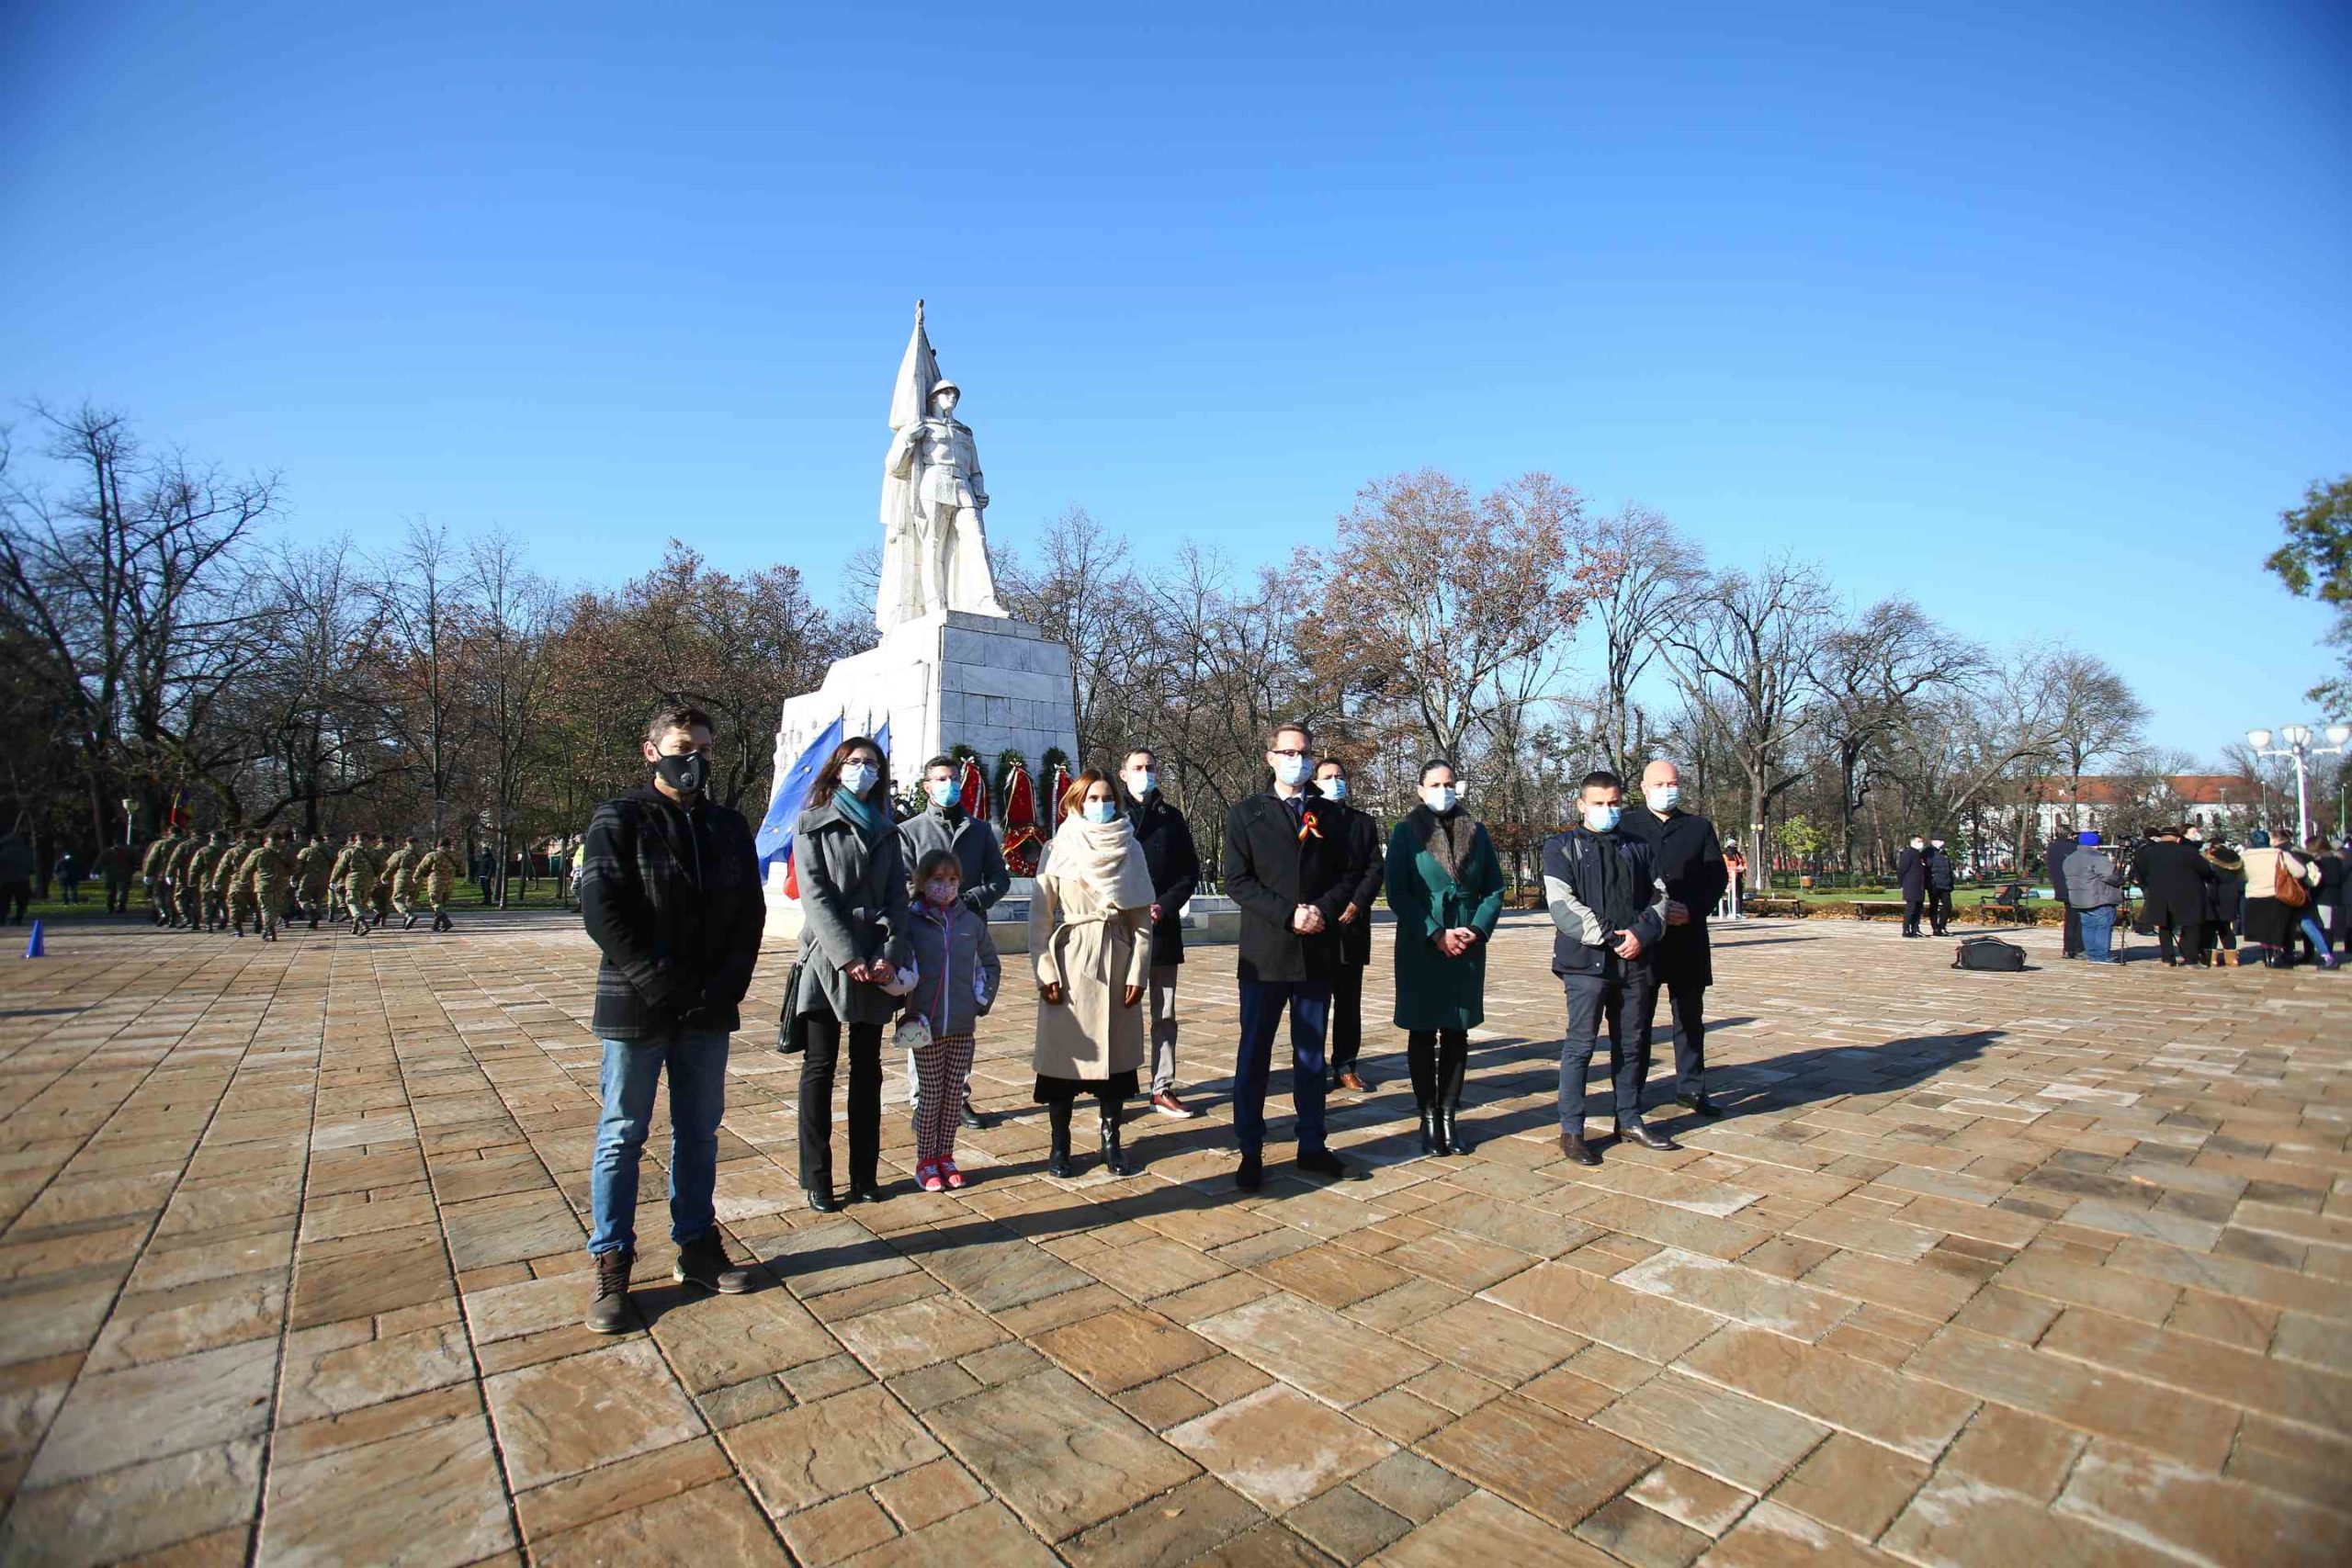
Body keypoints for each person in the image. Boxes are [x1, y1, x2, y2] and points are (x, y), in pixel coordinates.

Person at [579, 704, 765, 1333]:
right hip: (638, 1000)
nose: (695, 761)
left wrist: (728, 984)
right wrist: (659, 981)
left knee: (699, 1130)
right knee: (622, 1132)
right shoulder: (620, 817)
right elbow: (603, 909)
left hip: (708, 1005)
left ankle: (697, 1244)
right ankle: (612, 1257)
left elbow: (750, 912)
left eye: (704, 750)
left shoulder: (728, 824)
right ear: (652, 750)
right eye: (683, 748)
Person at [1220, 720, 1366, 1190]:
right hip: (1265, 954)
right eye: (1288, 753)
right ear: (1270, 758)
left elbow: (1350, 874)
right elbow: (1237, 881)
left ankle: (1313, 1145)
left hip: (1316, 953)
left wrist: (1321, 910)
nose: (1297, 760)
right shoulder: (1246, 813)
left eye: (1304, 753)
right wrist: (1289, 915)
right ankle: (1250, 1149)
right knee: (1254, 1055)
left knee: (1311, 1057)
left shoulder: (1332, 815)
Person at [787, 736, 911, 1213]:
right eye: (855, 761)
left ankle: (865, 1175)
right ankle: (817, 1177)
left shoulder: (887, 830)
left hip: (876, 959)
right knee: (819, 1067)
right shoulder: (812, 823)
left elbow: (898, 898)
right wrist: (847, 955)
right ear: (837, 769)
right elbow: (815, 897)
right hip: (828, 957)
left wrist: (889, 953)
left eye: (872, 763)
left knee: (867, 1070)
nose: (864, 769)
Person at [1544, 770, 1674, 1166]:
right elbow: (1562, 904)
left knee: (1632, 1044)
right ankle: (1572, 1130)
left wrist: (1641, 934)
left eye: (1614, 803)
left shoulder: (1639, 846)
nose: (1607, 810)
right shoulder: (1561, 847)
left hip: (1635, 961)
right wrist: (1612, 938)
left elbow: (1660, 896)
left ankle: (1629, 1119)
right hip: (1586, 964)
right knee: (1580, 1046)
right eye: (1599, 804)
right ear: (1582, 805)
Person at [1032, 772, 1156, 1179]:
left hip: (1118, 956)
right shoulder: (1057, 847)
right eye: (1092, 798)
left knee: (1115, 1063)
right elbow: (1040, 918)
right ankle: (1060, 1145)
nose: (1100, 805)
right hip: (1071, 959)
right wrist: (1045, 970)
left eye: (1106, 798)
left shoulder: (1130, 847)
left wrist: (1138, 971)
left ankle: (1111, 1141)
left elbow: (1142, 922)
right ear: (1076, 801)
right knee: (1062, 1063)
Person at [1385, 760, 1503, 1156]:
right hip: (1421, 940)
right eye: (1435, 784)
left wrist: (1477, 928)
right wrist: (1435, 933)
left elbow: (1494, 888)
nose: (1444, 790)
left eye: (1449, 783)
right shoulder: (1405, 832)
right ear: (1421, 790)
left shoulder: (1477, 831)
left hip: (1466, 940)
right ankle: (1428, 1114)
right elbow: (1398, 891)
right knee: (1421, 1030)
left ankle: (1450, 1113)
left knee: (1457, 1030)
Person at [898, 756, 1011, 1133]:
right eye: (941, 778)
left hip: (966, 935)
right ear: (927, 785)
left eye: (954, 778)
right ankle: (922, 1098)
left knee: (961, 1018)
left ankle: (957, 1097)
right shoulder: (910, 831)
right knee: (923, 1014)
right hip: (924, 935)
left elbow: (999, 878)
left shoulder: (979, 830)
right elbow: (901, 881)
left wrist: (970, 900)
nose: (949, 784)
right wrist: (930, 901)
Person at [1621, 760, 1729, 1119]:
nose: (1667, 790)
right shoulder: (1627, 825)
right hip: (1645, 939)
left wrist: (1694, 910)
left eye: (1672, 783)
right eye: (1659, 784)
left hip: (1687, 938)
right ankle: (1633, 1091)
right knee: (1637, 1021)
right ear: (1643, 787)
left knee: (1689, 1018)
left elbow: (1716, 877)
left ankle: (1691, 1088)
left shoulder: (1698, 827)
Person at [902, 849, 1002, 1190]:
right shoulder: (911, 922)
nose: (945, 886)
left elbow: (989, 963)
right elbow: (901, 961)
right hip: (925, 1025)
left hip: (961, 1024)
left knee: (953, 1095)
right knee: (931, 1094)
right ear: (922, 882)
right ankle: (925, 1160)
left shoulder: (970, 923)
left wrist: (980, 1000)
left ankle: (945, 1155)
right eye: (937, 879)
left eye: (952, 880)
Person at [1117, 749, 1204, 1119]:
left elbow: (1189, 871)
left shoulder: (1172, 817)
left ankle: (1162, 1086)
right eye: (1137, 768)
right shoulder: (1111, 813)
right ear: (1123, 774)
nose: (1144, 773)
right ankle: (1115, 1088)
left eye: (1150, 767)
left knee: (1164, 1013)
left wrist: (1163, 905)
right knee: (1119, 1013)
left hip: (1161, 926)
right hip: (1119, 928)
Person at [1310, 757, 1385, 1093]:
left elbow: (1374, 868)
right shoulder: (1307, 818)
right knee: (1314, 1003)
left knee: (1349, 1002)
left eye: (1340, 776)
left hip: (1353, 924)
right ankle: (1312, 1068)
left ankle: (1345, 1064)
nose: (1335, 781)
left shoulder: (1363, 822)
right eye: (1327, 776)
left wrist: (1358, 902)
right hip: (1318, 924)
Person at [2134, 825, 2214, 968]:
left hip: (2159, 893)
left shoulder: (2148, 852)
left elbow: (2139, 873)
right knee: (2190, 926)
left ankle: (2167, 959)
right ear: (2178, 839)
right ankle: (2191, 959)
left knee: (2164, 926)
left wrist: (2148, 886)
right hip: (2188, 894)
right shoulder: (2188, 851)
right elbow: (2206, 871)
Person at [2064, 830, 2125, 964]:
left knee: (2088, 927)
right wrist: (2121, 878)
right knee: (2103, 927)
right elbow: (2111, 876)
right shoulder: (2097, 858)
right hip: (2099, 898)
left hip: (2079, 899)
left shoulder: (2070, 858)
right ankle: (2101, 955)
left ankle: (2092, 954)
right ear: (2097, 844)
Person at [237, 831, 292, 942]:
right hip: (281, 883)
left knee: (266, 907)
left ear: (267, 840)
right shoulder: (286, 852)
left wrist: (243, 881)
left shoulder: (258, 852)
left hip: (264, 884)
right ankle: (271, 926)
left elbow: (246, 868)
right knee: (276, 907)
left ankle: (268, 929)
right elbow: (295, 866)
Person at [2200, 841, 2245, 966]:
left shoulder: (2212, 866)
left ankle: (2211, 958)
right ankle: (2232, 958)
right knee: (2226, 929)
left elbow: (2211, 885)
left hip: (2214, 900)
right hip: (2230, 900)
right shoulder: (2236, 866)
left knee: (2210, 930)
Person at [2046, 822, 2082, 958]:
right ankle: (2077, 948)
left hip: (2061, 886)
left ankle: (2068, 949)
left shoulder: (2052, 847)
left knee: (2070, 918)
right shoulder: (2073, 848)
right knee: (2077, 919)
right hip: (2074, 887)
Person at [331, 832, 378, 935]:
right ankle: (355, 927)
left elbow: (339, 867)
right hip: (369, 881)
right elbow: (383, 866)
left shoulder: (349, 851)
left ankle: (362, 924)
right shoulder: (374, 852)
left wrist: (333, 880)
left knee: (352, 903)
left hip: (354, 881)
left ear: (356, 839)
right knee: (361, 905)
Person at [141, 829, 183, 925]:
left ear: (169, 833)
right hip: (180, 874)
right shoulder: (184, 843)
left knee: (158, 894)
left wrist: (148, 874)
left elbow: (152, 860)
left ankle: (163, 913)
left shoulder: (161, 844)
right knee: (173, 896)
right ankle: (173, 917)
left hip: (161, 874)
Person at [423, 838, 465, 931]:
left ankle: (446, 922)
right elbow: (462, 869)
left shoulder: (433, 855)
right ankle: (436, 925)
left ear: (439, 845)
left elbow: (422, 867)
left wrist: (416, 876)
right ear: (449, 845)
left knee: (435, 902)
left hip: (436, 881)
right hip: (449, 881)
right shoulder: (456, 856)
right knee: (442, 903)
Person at [294, 835, 334, 929]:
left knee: (302, 898)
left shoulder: (306, 851)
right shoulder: (329, 851)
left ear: (313, 841)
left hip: (308, 878)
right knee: (317, 900)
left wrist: (295, 877)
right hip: (323, 879)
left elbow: (299, 865)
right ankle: (315, 920)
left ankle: (311, 913)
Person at [385, 836, 423, 929]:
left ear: (406, 843)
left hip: (403, 877)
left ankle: (408, 914)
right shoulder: (422, 854)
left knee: (397, 899)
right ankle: (407, 921)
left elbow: (390, 866)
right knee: (411, 900)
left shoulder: (400, 853)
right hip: (417, 878)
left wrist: (384, 876)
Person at [1897, 833, 1929, 938]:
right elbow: (1902, 870)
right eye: (1919, 842)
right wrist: (1902, 883)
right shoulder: (1908, 854)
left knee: (1918, 909)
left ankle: (1915, 929)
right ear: (1913, 842)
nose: (1921, 844)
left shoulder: (1919, 855)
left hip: (1920, 886)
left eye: (1922, 842)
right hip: (1911, 886)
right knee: (1910, 909)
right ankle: (1906, 929)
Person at [1925, 836, 1957, 936]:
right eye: (1940, 840)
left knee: (1948, 906)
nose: (1942, 843)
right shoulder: (1928, 852)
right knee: (1934, 906)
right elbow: (1926, 868)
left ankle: (1942, 926)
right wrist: (1929, 882)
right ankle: (1935, 928)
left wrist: (1951, 881)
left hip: (1945, 884)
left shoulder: (1944, 853)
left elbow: (1949, 869)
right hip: (1934, 884)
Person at [0, 831, 32, 925]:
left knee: (4, 901)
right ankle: (18, 918)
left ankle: (3, 918)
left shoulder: (4, 852)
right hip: (22, 880)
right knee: (21, 901)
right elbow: (30, 866)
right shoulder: (25, 852)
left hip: (6, 881)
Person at [96, 841, 135, 914]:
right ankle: (118, 907)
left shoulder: (108, 852)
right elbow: (100, 862)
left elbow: (100, 862)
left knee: (114, 892)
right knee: (120, 891)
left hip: (113, 875)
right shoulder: (128, 852)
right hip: (121, 874)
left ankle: (112, 907)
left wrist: (96, 871)